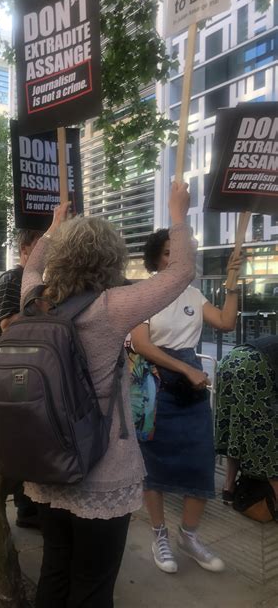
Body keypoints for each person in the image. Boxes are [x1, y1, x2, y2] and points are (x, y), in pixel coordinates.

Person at [21, 182, 196, 607]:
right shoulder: (112, 307)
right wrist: (178, 214)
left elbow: (30, 269)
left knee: (54, 571)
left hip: (46, 464)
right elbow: (181, 273)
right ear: (111, 259)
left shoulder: (35, 300)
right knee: (94, 586)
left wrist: (52, 229)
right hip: (102, 470)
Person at [130, 230, 242, 575]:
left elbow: (225, 322)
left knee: (200, 461)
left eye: (178, 253)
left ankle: (188, 536)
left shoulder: (193, 293)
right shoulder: (144, 293)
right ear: (155, 258)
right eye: (166, 253)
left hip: (191, 390)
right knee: (154, 463)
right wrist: (184, 368)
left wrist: (232, 282)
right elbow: (140, 344)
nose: (173, 259)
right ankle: (159, 533)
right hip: (154, 386)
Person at [0, 229, 43, 528]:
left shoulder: (33, 281)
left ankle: (29, 506)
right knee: (21, 444)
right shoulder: (14, 279)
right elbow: (8, 323)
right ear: (25, 250)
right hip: (13, 376)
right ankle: (26, 509)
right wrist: (46, 309)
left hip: (25, 373)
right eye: (41, 247)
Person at [215, 335, 278, 516]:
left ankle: (228, 488)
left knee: (234, 424)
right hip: (257, 366)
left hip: (231, 359)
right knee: (266, 433)